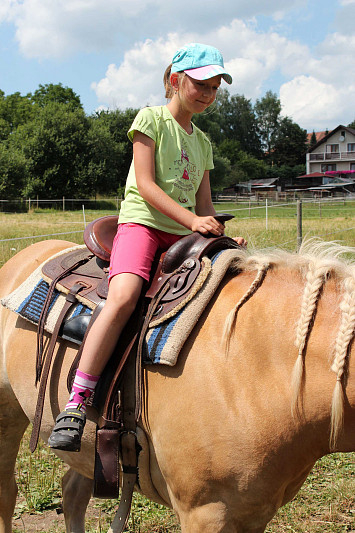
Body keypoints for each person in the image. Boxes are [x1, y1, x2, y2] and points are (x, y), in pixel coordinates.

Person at [48, 42, 246, 452]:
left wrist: (218, 234)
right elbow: (145, 184)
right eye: (200, 84)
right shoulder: (150, 119)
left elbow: (205, 205)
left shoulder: (203, 142)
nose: (208, 94)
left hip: (183, 234)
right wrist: (191, 220)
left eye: (214, 87)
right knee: (123, 297)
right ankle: (78, 399)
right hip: (143, 225)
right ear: (176, 80)